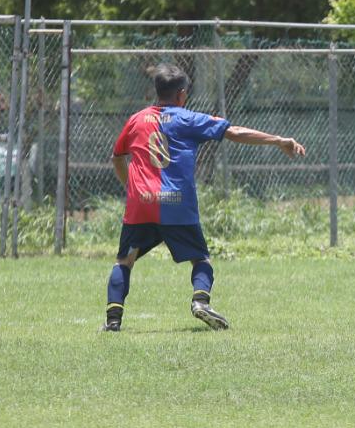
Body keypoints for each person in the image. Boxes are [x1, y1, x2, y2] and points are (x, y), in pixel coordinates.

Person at [103, 63, 306, 332]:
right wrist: (279, 140)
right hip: (176, 203)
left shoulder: (136, 120)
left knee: (124, 261)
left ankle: (113, 322)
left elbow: (117, 157)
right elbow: (234, 132)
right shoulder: (189, 118)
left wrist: (130, 186)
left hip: (142, 204)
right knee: (200, 259)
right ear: (182, 94)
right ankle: (200, 302)